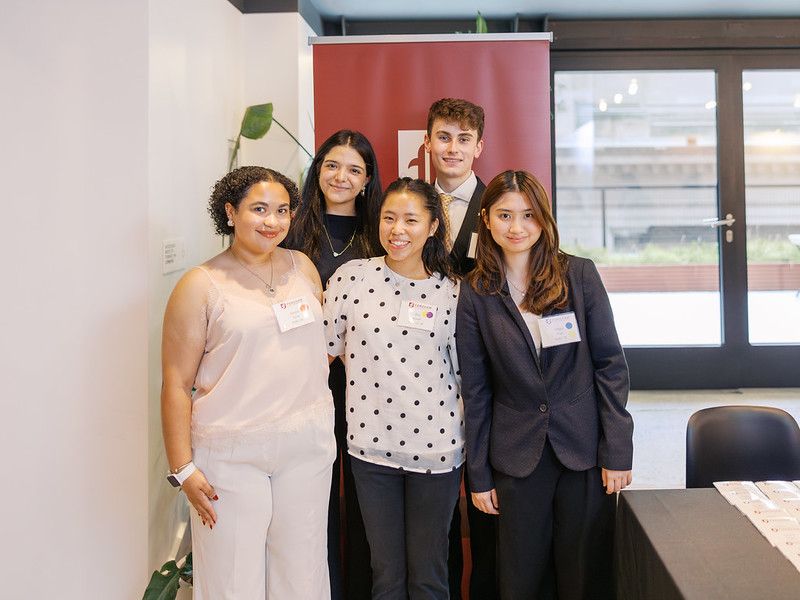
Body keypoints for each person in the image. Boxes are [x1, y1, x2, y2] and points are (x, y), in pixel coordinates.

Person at [456, 170, 634, 600]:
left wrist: (617, 449)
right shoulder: (476, 292)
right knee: (522, 576)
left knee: (584, 572)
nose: (516, 227)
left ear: (544, 219)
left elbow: (610, 365)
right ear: (486, 219)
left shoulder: (579, 275)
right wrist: (478, 475)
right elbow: (476, 391)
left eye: (528, 215)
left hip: (583, 448)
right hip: (516, 453)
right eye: (504, 215)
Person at [161, 166, 335, 599]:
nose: (272, 221)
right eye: (259, 209)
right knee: (232, 579)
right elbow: (176, 383)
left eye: (282, 210)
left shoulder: (302, 267)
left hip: (306, 445)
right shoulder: (200, 284)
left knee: (303, 572)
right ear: (230, 212)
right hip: (231, 452)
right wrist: (183, 468)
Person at [323, 178, 463, 600]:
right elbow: (324, 351)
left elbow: (464, 374)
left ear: (433, 226)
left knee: (429, 577)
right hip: (370, 448)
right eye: (389, 218)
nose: (397, 229)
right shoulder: (352, 278)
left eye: (410, 220)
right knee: (385, 575)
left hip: (436, 449)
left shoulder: (452, 291)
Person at [284, 129, 382, 600]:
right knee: (314, 494)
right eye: (332, 165)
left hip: (370, 384)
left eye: (354, 170)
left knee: (365, 496)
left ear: (367, 180)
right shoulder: (290, 229)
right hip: (304, 381)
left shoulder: (381, 233)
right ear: (318, 169)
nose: (341, 177)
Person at [424, 97, 496, 599]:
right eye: (444, 137)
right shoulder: (409, 205)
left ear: (479, 147)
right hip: (424, 373)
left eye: (463, 139)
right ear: (427, 143)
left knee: (488, 494)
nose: (452, 148)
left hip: (487, 369)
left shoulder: (500, 206)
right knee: (437, 507)